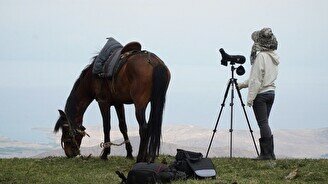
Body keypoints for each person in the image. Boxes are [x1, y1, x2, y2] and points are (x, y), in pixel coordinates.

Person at [238, 28, 279, 160]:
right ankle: (270, 154)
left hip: (261, 94)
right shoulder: (273, 56)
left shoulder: (261, 56)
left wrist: (250, 99)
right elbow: (257, 78)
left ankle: (266, 154)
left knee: (263, 123)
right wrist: (242, 85)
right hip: (271, 92)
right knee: (265, 122)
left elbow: (256, 80)